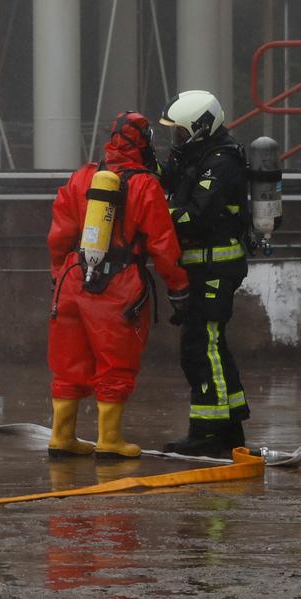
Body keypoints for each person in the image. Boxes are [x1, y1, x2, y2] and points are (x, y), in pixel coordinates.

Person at [45, 112, 189, 459]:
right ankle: (109, 440)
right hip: (119, 285)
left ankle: (61, 436)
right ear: (145, 142)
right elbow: (163, 245)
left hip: (73, 278)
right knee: (115, 362)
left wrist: (58, 274)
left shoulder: (82, 177)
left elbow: (59, 235)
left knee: (69, 361)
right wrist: (179, 287)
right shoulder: (144, 185)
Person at [158, 89, 253, 456]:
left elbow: (195, 215)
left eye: (180, 132)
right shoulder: (195, 156)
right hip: (205, 266)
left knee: (201, 347)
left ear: (201, 127)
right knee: (213, 345)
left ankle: (207, 433)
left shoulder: (221, 162)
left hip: (216, 266)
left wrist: (154, 216)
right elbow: (171, 183)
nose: (176, 139)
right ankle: (229, 428)